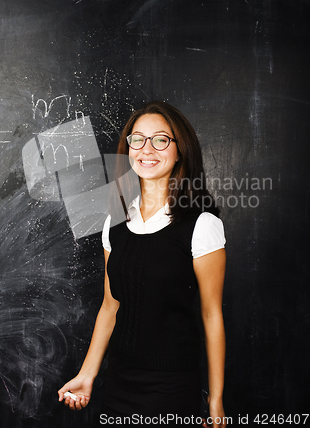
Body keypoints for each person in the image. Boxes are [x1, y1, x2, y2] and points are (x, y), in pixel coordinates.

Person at [58, 101, 227, 427]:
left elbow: (212, 314)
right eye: (138, 139)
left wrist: (216, 399)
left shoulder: (201, 225)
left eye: (161, 139)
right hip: (120, 383)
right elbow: (111, 305)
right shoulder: (114, 222)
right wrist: (87, 374)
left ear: (180, 151)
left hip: (173, 388)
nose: (146, 149)